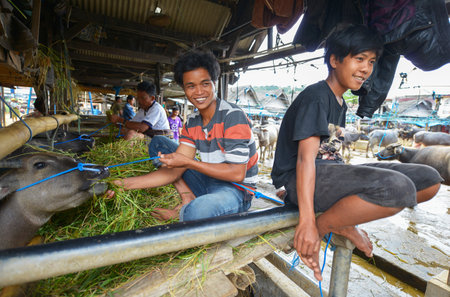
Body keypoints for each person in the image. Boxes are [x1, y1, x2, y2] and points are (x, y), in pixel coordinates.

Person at [271, 24, 442, 282]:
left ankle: (341, 221)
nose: (366, 69)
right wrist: (306, 222)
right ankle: (324, 225)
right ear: (335, 60)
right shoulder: (316, 97)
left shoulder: (339, 102)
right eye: (359, 59)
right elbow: (307, 159)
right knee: (398, 188)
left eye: (371, 62)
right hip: (300, 179)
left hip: (327, 174)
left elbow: (331, 155)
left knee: (430, 179)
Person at [106, 50, 258, 222]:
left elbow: (237, 174)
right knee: (158, 143)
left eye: (205, 83)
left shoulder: (232, 116)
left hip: (235, 191)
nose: (199, 92)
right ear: (184, 88)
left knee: (199, 211)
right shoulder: (193, 120)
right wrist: (122, 184)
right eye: (191, 86)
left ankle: (183, 212)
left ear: (215, 82)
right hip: (208, 181)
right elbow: (172, 172)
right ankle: (188, 197)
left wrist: (188, 162)